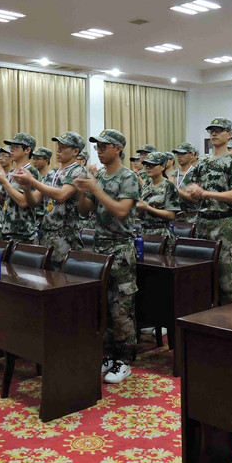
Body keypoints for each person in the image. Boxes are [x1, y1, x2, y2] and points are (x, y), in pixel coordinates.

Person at [76, 129, 140, 384]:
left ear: (118, 149)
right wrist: (82, 190)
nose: (99, 151)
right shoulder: (100, 176)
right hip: (99, 247)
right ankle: (109, 354)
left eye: (104, 146)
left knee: (121, 306)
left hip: (121, 248)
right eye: (98, 147)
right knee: (102, 304)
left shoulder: (128, 177)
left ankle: (124, 360)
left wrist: (95, 188)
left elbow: (122, 210)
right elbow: (85, 211)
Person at [182, 117, 232, 304]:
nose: (214, 134)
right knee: (202, 278)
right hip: (202, 222)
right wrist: (192, 192)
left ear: (229, 134)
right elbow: (194, 193)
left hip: (224, 223)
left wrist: (205, 193)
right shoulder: (202, 162)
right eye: (211, 130)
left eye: (219, 130)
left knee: (228, 280)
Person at [15, 131, 87, 271]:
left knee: (64, 277)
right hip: (46, 234)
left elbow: (62, 195)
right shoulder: (51, 173)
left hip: (66, 236)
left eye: (63, 147)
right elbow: (34, 202)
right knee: (46, 275)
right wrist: (27, 188)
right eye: (58, 146)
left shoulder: (79, 171)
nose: (58, 149)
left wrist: (32, 181)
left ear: (75, 151)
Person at [0, 133, 40, 244]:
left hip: (24, 233)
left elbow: (24, 202)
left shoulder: (31, 172)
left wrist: (4, 182)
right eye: (11, 146)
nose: (11, 149)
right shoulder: (11, 173)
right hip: (7, 230)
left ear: (27, 150)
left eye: (16, 147)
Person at [137, 152, 181, 252]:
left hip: (161, 233)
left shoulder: (168, 186)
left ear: (162, 167)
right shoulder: (146, 186)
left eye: (152, 165)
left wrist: (148, 208)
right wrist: (139, 209)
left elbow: (171, 215)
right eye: (147, 165)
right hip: (145, 232)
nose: (148, 168)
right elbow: (140, 214)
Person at [170, 142, 198, 222]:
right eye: (177, 154)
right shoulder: (172, 175)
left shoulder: (196, 173)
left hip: (192, 218)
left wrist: (176, 188)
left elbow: (198, 200)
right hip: (174, 219)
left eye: (182, 154)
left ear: (192, 155)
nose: (179, 156)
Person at [31, 147, 53, 227]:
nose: (34, 161)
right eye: (33, 158)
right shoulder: (34, 177)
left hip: (46, 219)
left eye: (38, 159)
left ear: (46, 161)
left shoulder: (51, 177)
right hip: (34, 218)